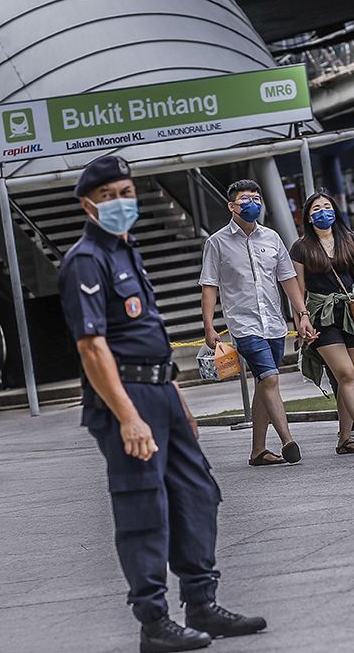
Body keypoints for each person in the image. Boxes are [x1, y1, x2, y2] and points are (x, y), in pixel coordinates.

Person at [59, 156, 266, 652]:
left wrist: (179, 401)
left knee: (197, 493)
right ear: (88, 205)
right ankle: (154, 621)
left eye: (126, 192)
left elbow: (148, 338)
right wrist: (128, 418)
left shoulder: (126, 251)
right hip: (125, 398)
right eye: (108, 196)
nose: (120, 202)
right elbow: (93, 348)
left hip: (161, 391)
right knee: (144, 507)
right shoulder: (86, 260)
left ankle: (201, 603)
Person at [199, 179, 317, 466]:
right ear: (231, 206)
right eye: (245, 199)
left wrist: (302, 314)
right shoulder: (216, 242)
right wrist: (209, 325)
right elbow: (209, 285)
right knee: (271, 378)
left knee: (265, 382)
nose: (252, 204)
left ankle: (258, 451)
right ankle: (288, 440)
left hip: (274, 324)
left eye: (256, 198)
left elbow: (288, 279)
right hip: (244, 325)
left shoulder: (272, 238)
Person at [290, 191, 354, 455]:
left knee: (349, 377)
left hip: (351, 313)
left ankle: (344, 439)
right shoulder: (301, 247)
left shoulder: (349, 240)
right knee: (346, 374)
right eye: (316, 209)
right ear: (308, 217)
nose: (323, 212)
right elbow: (298, 289)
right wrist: (301, 321)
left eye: (327, 206)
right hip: (321, 314)